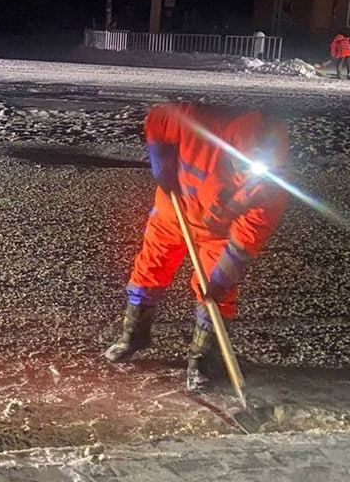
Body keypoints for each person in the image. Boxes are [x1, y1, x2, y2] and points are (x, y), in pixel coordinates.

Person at [104, 101, 289, 392]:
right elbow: (159, 117)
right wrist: (160, 159)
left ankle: (203, 359)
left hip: (219, 234)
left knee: (216, 294)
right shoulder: (200, 122)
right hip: (173, 211)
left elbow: (249, 233)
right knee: (150, 270)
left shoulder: (270, 186)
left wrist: (224, 274)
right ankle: (133, 335)